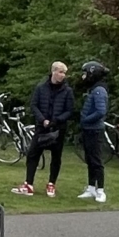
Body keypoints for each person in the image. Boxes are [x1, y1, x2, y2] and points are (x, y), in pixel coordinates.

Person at [17, 63, 75, 198]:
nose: (63, 75)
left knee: (56, 157)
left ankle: (51, 184)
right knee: (33, 154)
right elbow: (34, 105)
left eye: (64, 73)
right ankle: (29, 184)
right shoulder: (41, 88)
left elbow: (70, 110)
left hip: (58, 128)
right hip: (41, 127)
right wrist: (42, 120)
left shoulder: (67, 91)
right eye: (60, 72)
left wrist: (56, 120)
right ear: (53, 72)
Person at [75, 61, 110, 203]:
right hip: (89, 129)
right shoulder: (94, 89)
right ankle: (91, 188)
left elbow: (101, 111)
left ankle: (100, 190)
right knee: (90, 159)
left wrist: (86, 120)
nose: (84, 76)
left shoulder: (99, 90)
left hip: (95, 129)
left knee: (96, 160)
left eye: (86, 73)